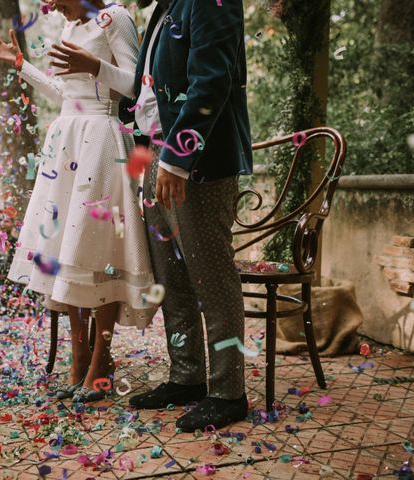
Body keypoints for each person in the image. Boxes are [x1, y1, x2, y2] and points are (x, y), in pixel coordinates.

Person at [0, 0, 157, 402]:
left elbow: (136, 84)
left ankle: (102, 361)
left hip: (101, 138)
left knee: (97, 251)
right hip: (65, 140)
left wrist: (96, 66)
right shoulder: (68, 27)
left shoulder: (114, 18)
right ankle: (78, 357)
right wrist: (20, 65)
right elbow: (66, 91)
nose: (51, 4)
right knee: (66, 251)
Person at [126, 0, 253, 431]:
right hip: (154, 161)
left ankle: (228, 392)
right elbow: (143, 96)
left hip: (194, 164)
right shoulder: (163, 9)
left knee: (211, 279)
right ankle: (187, 377)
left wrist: (178, 161)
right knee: (172, 280)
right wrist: (143, 164)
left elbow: (212, 80)